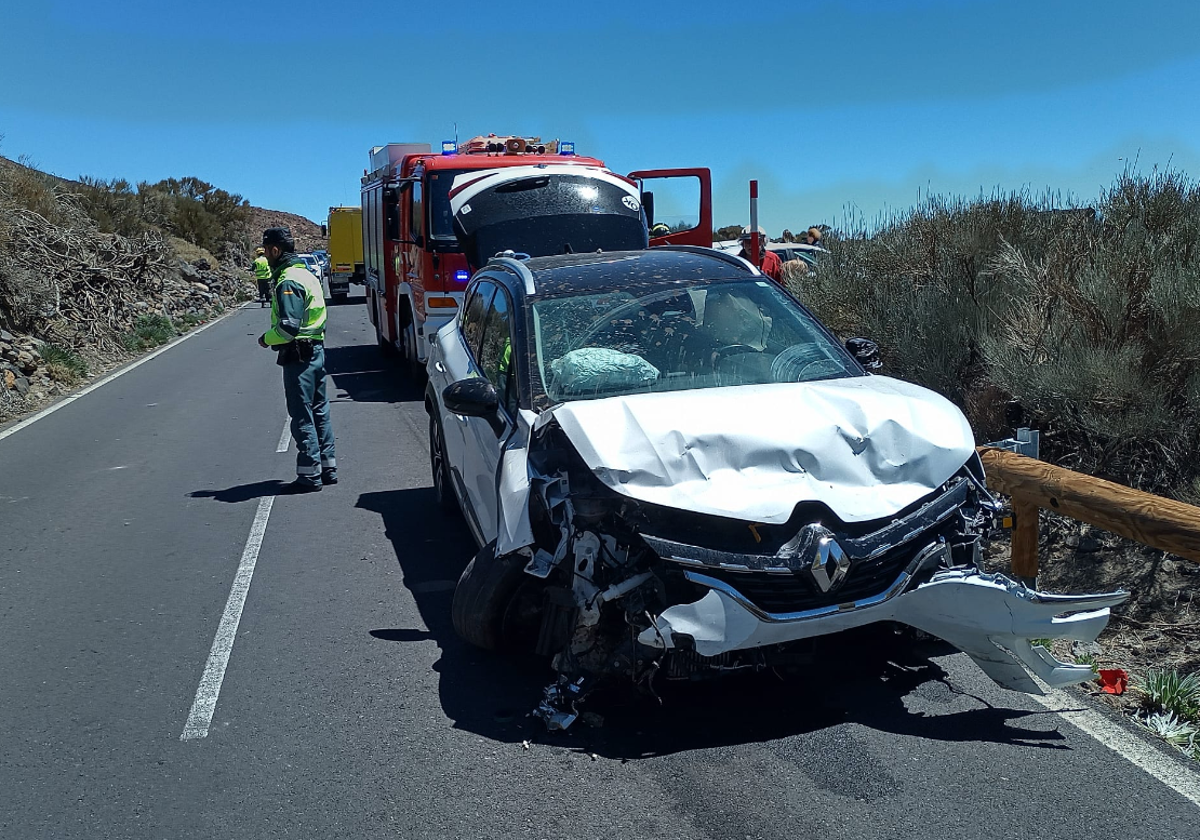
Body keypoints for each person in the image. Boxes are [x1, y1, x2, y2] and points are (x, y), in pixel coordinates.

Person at [259, 227, 337, 492]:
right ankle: (328, 468)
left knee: (302, 415)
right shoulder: (307, 274)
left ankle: (309, 475)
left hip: (298, 355)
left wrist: (266, 339)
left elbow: (288, 328)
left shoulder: (288, 281)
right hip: (316, 351)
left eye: (267, 251)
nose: (265, 256)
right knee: (320, 411)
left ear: (276, 250)